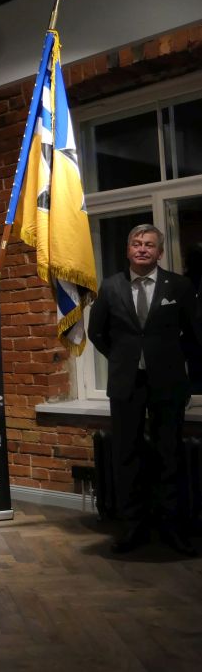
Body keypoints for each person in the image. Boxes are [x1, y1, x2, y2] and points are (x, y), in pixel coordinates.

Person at [88, 223, 200, 556]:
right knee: (126, 456)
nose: (142, 248)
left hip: (168, 383)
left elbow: (194, 335)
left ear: (159, 252)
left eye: (149, 244)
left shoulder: (179, 286)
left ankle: (172, 528)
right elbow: (97, 333)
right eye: (136, 243)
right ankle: (131, 528)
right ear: (128, 250)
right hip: (127, 384)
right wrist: (123, 359)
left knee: (170, 455)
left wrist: (174, 363)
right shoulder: (111, 286)